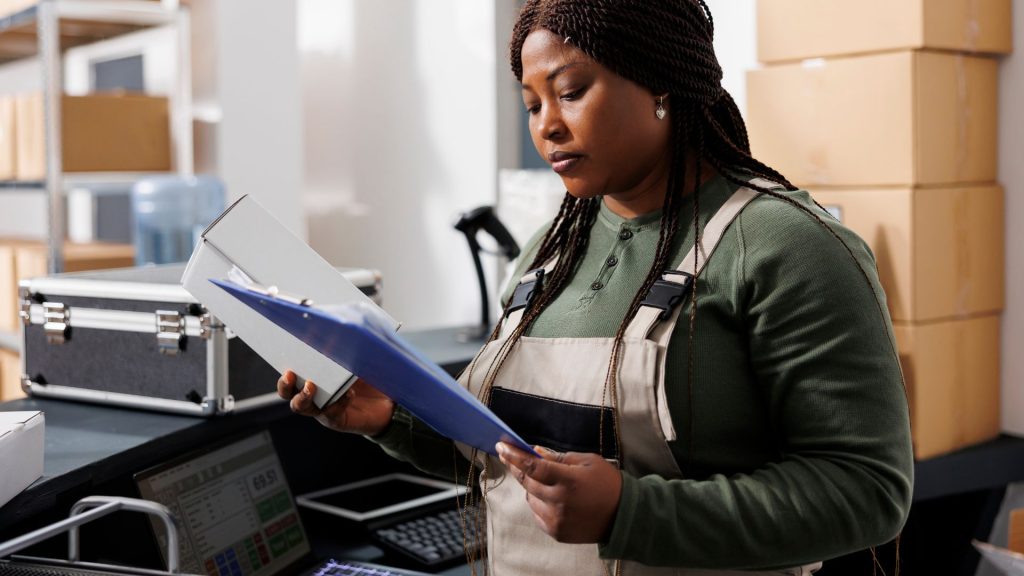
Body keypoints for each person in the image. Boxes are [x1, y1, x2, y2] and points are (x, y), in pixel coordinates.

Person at [278, 1, 913, 574]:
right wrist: (389, 421)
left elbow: (866, 490)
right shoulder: (548, 255)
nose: (547, 126)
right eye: (531, 104)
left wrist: (631, 512)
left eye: (571, 91)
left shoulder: (788, 248)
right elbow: (506, 464)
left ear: (661, 82)